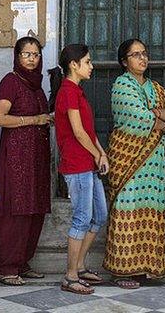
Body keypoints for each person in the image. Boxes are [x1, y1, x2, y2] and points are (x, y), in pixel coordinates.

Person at [104, 38, 165, 289]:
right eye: (135, 55)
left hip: (153, 163)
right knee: (128, 207)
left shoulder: (154, 87)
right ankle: (123, 271)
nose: (142, 58)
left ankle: (147, 266)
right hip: (128, 159)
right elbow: (136, 118)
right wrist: (160, 118)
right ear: (125, 62)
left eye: (144, 53)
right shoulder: (121, 85)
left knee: (150, 209)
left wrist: (155, 114)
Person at [0, 37, 52, 286]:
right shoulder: (11, 82)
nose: (31, 58)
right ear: (17, 57)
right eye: (26, 54)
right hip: (16, 158)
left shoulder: (37, 85)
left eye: (36, 54)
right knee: (15, 210)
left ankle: (23, 263)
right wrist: (34, 120)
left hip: (37, 158)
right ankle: (7, 267)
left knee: (34, 209)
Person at [51, 43, 109, 295]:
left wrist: (101, 153)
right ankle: (70, 275)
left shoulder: (78, 91)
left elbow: (88, 131)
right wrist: (97, 154)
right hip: (76, 164)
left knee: (99, 215)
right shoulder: (68, 91)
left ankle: (81, 266)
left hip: (88, 163)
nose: (91, 66)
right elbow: (76, 132)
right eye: (87, 61)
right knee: (82, 218)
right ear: (73, 65)